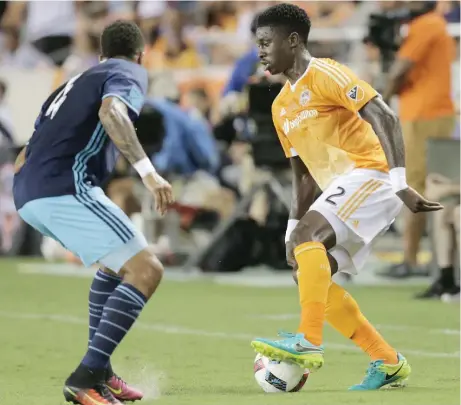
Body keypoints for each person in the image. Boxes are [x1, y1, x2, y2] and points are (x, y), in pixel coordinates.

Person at [250, 3, 442, 391]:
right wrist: (292, 230)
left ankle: (308, 341)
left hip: (372, 172)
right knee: (307, 272)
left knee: (310, 243)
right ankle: (386, 361)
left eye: (267, 42)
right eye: (258, 44)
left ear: (293, 40)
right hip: (346, 187)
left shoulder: (326, 73)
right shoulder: (280, 106)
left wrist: (400, 180)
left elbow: (384, 116)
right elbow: (302, 175)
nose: (261, 52)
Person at [13, 20, 173, 405]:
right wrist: (150, 175)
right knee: (146, 269)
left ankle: (101, 372)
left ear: (99, 55)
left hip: (30, 190)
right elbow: (111, 113)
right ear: (141, 54)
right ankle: (84, 377)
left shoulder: (73, 83)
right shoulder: (127, 71)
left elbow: (24, 155)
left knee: (116, 264)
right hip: (64, 187)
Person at [381, 1, 456, 278]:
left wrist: (380, 101)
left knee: (415, 184)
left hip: (426, 114)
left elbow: (400, 70)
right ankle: (419, 257)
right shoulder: (428, 24)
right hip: (423, 112)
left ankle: (412, 258)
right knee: (419, 183)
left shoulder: (426, 25)